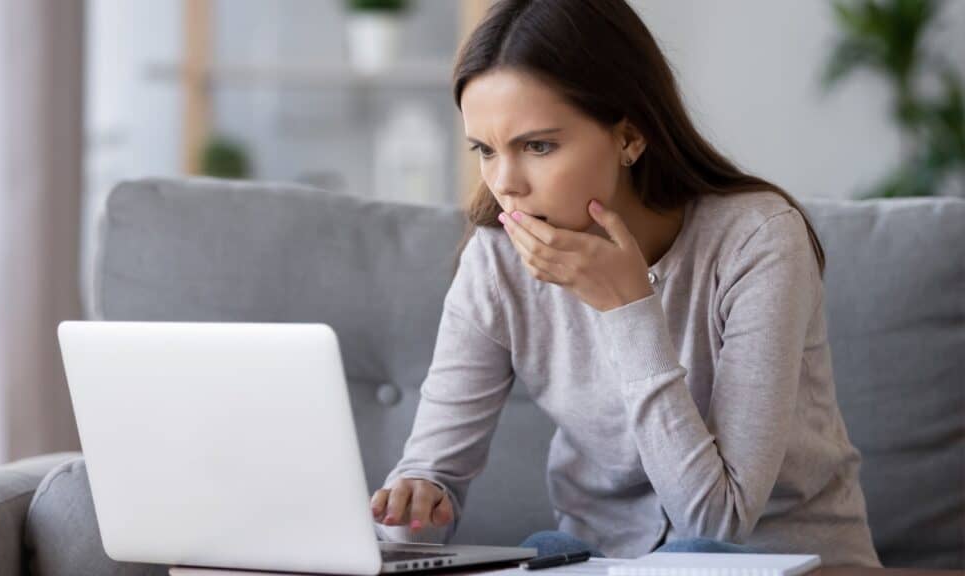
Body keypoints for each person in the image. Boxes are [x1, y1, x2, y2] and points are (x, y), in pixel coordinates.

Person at [368, 0, 881, 566]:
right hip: (603, 560)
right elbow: (430, 475)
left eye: (538, 146)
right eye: (485, 150)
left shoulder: (757, 240)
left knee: (688, 551)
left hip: (775, 558)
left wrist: (629, 308)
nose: (505, 183)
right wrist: (417, 499)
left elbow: (716, 522)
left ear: (630, 138)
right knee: (546, 552)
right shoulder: (496, 258)